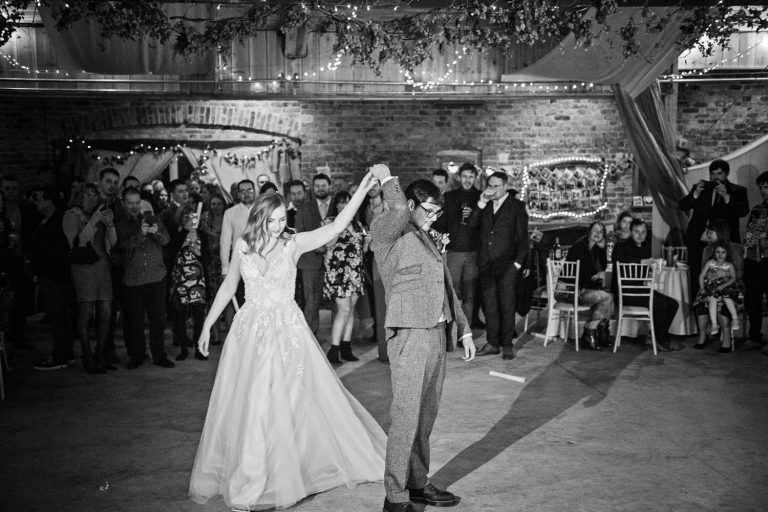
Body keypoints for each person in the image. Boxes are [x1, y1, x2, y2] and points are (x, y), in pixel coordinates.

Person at [190, 172, 385, 511]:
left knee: (290, 401)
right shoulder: (243, 245)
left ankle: (289, 470)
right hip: (251, 333)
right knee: (253, 404)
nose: (280, 225)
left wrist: (363, 192)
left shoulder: (292, 244)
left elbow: (336, 227)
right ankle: (251, 477)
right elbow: (228, 286)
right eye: (275, 219)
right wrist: (207, 326)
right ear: (260, 217)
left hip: (287, 331)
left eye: (284, 219)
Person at [368, 165, 475, 512]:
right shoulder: (388, 233)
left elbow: (447, 285)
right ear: (412, 204)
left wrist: (465, 328)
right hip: (409, 335)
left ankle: (417, 483)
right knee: (406, 416)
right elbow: (397, 208)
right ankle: (395, 496)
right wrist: (387, 178)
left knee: (425, 417)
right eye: (429, 211)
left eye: (438, 212)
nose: (434, 218)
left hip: (436, 334)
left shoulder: (428, 238)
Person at [470, 171, 529, 360]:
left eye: (496, 186)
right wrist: (480, 203)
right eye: (490, 186)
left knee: (507, 305)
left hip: (508, 265)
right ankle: (493, 343)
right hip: (486, 264)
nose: (492, 189)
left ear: (504, 186)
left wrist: (518, 264)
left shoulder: (517, 206)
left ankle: (507, 344)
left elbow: (523, 238)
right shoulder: (484, 205)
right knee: (490, 307)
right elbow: (471, 224)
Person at [116, 188, 175, 369]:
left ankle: (159, 355)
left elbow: (166, 240)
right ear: (124, 203)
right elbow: (122, 245)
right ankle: (137, 355)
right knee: (135, 321)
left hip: (157, 276)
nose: (134, 206)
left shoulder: (153, 219)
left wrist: (155, 232)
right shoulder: (121, 223)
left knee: (158, 320)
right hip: (134, 279)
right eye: (130, 203)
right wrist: (141, 234)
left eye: (137, 202)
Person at [62, 183, 117, 373]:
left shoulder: (100, 214)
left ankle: (99, 352)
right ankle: (86, 354)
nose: (92, 198)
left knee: (106, 312)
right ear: (79, 196)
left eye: (94, 194)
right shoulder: (71, 215)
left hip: (102, 266)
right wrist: (92, 221)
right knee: (86, 312)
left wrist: (110, 224)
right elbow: (75, 244)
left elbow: (113, 242)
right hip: (83, 267)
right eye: (87, 194)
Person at [679, 159, 749, 296]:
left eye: (719, 174)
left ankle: (719, 312)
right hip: (698, 240)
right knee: (696, 276)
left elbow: (743, 211)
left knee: (721, 278)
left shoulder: (738, 190)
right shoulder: (701, 188)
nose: (715, 177)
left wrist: (726, 196)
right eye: (712, 174)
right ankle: (697, 312)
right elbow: (683, 206)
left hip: (723, 244)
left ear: (727, 173)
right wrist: (696, 194)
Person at [612, 219, 684, 352]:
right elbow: (621, 262)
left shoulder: (645, 247)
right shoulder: (621, 246)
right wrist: (642, 262)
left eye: (643, 232)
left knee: (673, 304)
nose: (640, 235)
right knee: (660, 305)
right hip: (625, 293)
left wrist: (652, 267)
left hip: (640, 290)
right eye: (637, 232)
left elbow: (645, 269)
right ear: (630, 231)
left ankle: (653, 336)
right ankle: (663, 341)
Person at [321, 191, 371, 364]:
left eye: (348, 203)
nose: (345, 206)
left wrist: (366, 242)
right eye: (341, 203)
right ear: (335, 205)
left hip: (355, 271)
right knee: (344, 310)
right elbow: (328, 244)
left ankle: (346, 346)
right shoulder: (329, 222)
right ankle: (333, 350)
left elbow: (361, 251)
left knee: (350, 310)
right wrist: (339, 226)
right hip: (338, 272)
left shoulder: (357, 223)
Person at [30, 188, 76, 371]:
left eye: (39, 198)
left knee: (58, 316)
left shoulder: (58, 222)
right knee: (60, 317)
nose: (36, 202)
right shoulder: (48, 220)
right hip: (52, 275)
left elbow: (58, 251)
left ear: (50, 201)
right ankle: (66, 353)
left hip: (55, 275)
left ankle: (59, 355)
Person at [432, 162, 481, 327]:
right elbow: (441, 224)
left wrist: (474, 214)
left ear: (475, 178)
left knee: (469, 296)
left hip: (473, 253)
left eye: (471, 177)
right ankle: (449, 332)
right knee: (451, 294)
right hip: (453, 252)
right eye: (465, 176)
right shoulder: (450, 197)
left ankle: (464, 333)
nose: (468, 180)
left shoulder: (481, 198)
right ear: (459, 177)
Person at [560, 222, 614, 350]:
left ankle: (600, 332)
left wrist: (602, 249)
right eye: (595, 230)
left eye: (601, 232)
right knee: (606, 298)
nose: (597, 233)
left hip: (584, 287)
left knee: (611, 295)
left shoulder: (594, 248)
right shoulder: (580, 247)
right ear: (589, 231)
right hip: (571, 290)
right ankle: (589, 332)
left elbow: (603, 267)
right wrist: (595, 277)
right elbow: (582, 274)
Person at [692, 220, 744, 350]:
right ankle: (703, 336)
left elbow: (739, 275)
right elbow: (703, 273)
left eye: (711, 232)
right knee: (702, 299)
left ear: (720, 233)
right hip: (711, 285)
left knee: (722, 301)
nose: (708, 235)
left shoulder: (736, 248)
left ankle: (726, 338)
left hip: (730, 285)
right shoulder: (707, 250)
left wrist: (723, 276)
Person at [171, 202, 209, 361]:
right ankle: (183, 349)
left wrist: (197, 251)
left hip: (198, 280)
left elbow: (206, 257)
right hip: (181, 279)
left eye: (192, 215)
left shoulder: (201, 233)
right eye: (185, 215)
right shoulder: (176, 233)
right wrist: (185, 236)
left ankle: (199, 349)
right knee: (180, 315)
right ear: (180, 217)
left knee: (199, 315)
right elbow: (172, 252)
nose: (189, 218)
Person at [295, 173, 332, 334]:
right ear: (312, 188)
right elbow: (299, 235)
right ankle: (310, 339)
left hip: (337, 262)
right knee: (311, 302)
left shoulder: (338, 206)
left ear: (329, 186)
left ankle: (339, 344)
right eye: (317, 186)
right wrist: (318, 247)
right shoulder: (304, 208)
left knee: (340, 303)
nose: (320, 188)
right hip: (310, 261)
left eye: (323, 185)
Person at [742, 170, 768, 352]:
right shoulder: (757, 209)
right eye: (761, 188)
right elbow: (749, 235)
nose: (763, 191)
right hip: (754, 260)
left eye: (766, 187)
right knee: (753, 299)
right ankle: (754, 336)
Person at [694, 240, 740, 338]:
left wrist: (723, 285)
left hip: (726, 286)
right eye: (717, 252)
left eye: (723, 252)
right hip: (712, 287)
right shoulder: (710, 263)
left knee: (727, 298)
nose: (720, 254)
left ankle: (735, 319)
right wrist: (702, 287)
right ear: (714, 253)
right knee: (712, 300)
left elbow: (733, 278)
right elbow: (702, 275)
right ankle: (715, 325)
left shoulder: (729, 265)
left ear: (727, 254)